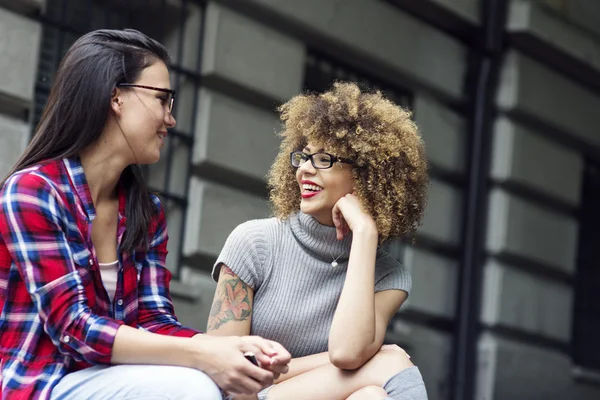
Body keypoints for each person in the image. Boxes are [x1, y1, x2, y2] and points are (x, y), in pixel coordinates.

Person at [0, 28, 290, 400]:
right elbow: (73, 328)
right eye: (162, 100)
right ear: (116, 97)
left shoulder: (145, 211)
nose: (170, 119)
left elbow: (153, 321)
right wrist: (204, 353)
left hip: (111, 380)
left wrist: (231, 349)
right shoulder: (34, 192)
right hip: (41, 384)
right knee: (194, 387)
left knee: (208, 382)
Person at [207, 82, 429, 400]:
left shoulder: (388, 276)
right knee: (388, 363)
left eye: (324, 159)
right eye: (304, 157)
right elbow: (223, 369)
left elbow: (347, 353)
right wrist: (375, 362)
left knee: (371, 396)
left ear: (369, 175)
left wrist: (365, 234)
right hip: (247, 397)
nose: (305, 171)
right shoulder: (254, 242)